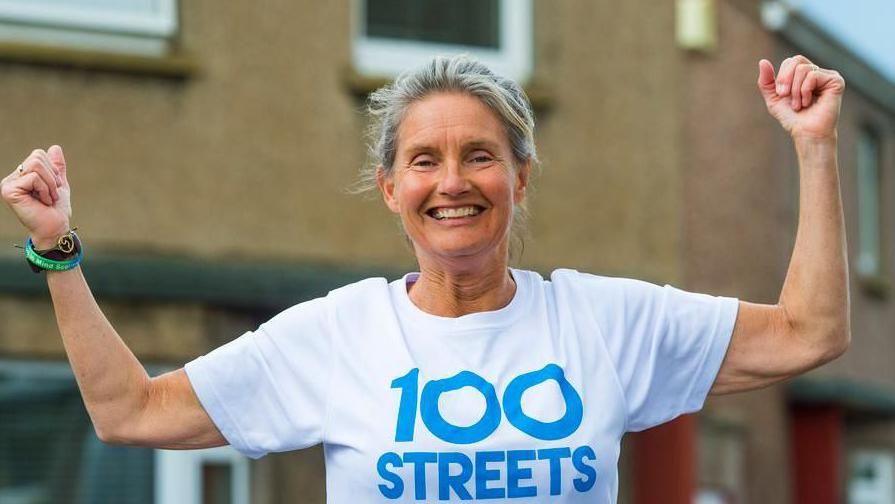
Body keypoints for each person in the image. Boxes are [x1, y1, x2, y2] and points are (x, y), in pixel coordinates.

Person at [0, 54, 849, 502]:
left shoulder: (602, 320)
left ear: (521, 178)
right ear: (391, 189)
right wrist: (57, 251)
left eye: (480, 156)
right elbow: (128, 411)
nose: (452, 182)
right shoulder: (337, 335)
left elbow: (809, 331)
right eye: (423, 161)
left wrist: (812, 149)